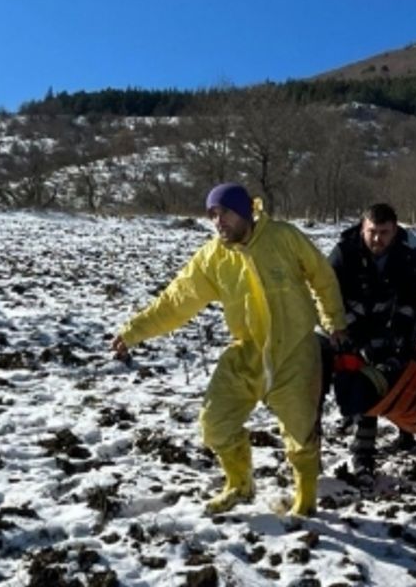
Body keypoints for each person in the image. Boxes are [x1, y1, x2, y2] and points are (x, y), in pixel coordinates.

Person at [110, 183, 347, 518]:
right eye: (213, 215)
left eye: (225, 213)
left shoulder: (284, 238)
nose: (218, 221)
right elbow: (177, 301)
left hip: (295, 351)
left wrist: (334, 322)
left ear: (246, 212)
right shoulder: (212, 258)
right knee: (214, 424)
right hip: (247, 354)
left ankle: (306, 500)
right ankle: (239, 485)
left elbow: (322, 277)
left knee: (300, 434)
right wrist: (134, 331)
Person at [326, 203, 416, 483]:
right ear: (363, 227)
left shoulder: (410, 255)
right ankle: (363, 453)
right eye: (372, 232)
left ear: (395, 230)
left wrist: (401, 334)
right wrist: (347, 331)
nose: (377, 239)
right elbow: (328, 295)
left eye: (384, 233)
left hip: (393, 323)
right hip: (351, 326)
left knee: (403, 380)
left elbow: (412, 299)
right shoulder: (344, 252)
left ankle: (407, 431)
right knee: (365, 381)